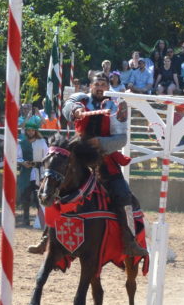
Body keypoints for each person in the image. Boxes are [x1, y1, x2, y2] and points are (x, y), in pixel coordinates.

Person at [29, 72, 147, 257]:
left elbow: (122, 138)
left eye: (103, 84)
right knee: (55, 184)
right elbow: (68, 106)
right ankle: (46, 237)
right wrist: (75, 111)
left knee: (124, 196)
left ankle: (129, 239)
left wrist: (100, 142)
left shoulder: (117, 105)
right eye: (96, 84)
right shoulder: (80, 99)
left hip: (104, 158)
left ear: (108, 87)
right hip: (77, 155)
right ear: (91, 86)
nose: (100, 87)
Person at [18, 115, 48, 227]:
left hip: (39, 171)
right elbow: (18, 157)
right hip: (26, 172)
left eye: (32, 130)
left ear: (35, 131)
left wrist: (44, 170)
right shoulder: (22, 143)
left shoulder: (42, 142)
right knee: (25, 196)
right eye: (28, 130)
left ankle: (40, 219)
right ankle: (25, 219)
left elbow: (46, 156)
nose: (30, 132)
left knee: (38, 197)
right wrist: (22, 163)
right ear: (26, 131)